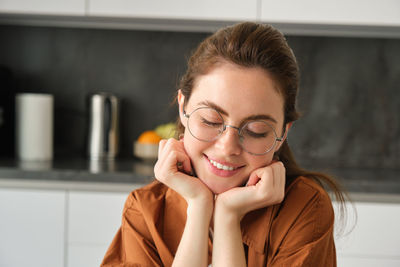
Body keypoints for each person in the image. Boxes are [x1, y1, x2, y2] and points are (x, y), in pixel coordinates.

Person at [101, 22, 346, 267]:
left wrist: (228, 215)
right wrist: (199, 207)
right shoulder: (144, 211)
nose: (228, 147)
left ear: (282, 134)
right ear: (183, 107)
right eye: (210, 120)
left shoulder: (304, 209)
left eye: (255, 131)